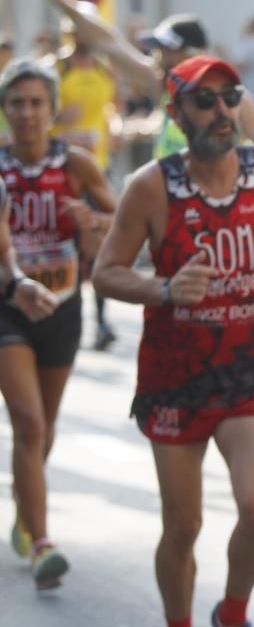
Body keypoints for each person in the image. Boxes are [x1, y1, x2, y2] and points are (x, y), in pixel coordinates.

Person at [91, 56, 254, 627]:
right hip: (175, 377)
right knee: (184, 525)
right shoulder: (152, 186)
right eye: (205, 100)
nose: (221, 111)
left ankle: (232, 611)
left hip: (248, 367)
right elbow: (106, 272)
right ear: (177, 111)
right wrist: (164, 287)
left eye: (229, 96)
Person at [0, 58, 116, 590]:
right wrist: (13, 281)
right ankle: (42, 542)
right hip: (8, 304)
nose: (26, 113)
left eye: (35, 103)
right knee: (26, 421)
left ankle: (26, 506)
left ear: (51, 109)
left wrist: (91, 221)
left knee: (42, 429)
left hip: (63, 305)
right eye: (16, 103)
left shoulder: (75, 164)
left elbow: (120, 218)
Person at [36, 0, 254, 159]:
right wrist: (61, 1)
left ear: (188, 54)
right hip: (169, 210)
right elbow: (108, 42)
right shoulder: (165, 85)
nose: (155, 57)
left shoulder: (233, 99)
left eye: (163, 49)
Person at [49, 4, 121, 351]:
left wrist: (117, 130)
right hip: (63, 169)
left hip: (97, 166)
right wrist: (61, 118)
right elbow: (36, 112)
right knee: (69, 243)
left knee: (102, 237)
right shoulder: (57, 68)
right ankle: (62, 312)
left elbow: (114, 111)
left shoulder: (105, 70)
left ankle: (102, 319)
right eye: (78, 30)